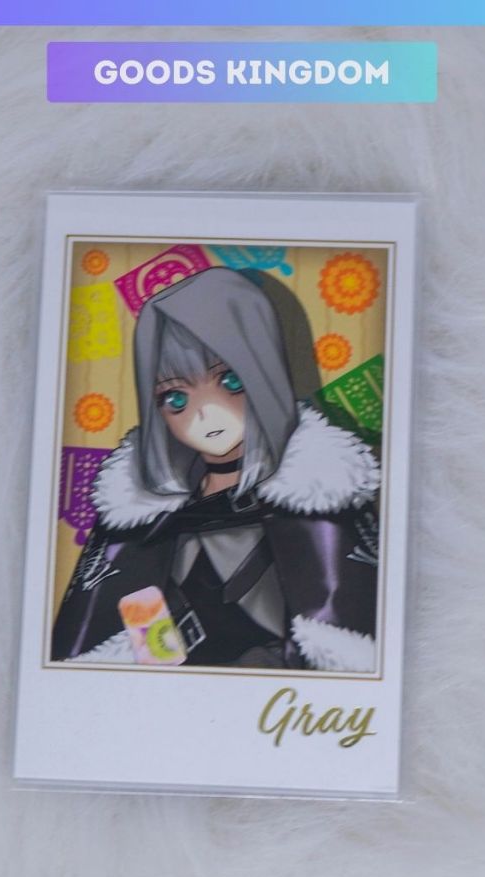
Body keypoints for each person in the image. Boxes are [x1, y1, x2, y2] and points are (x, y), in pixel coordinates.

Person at [50, 266, 380, 672]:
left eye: (231, 382)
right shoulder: (140, 520)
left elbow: (348, 649)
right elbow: (102, 643)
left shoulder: (323, 506)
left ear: (265, 374)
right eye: (175, 398)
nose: (206, 415)